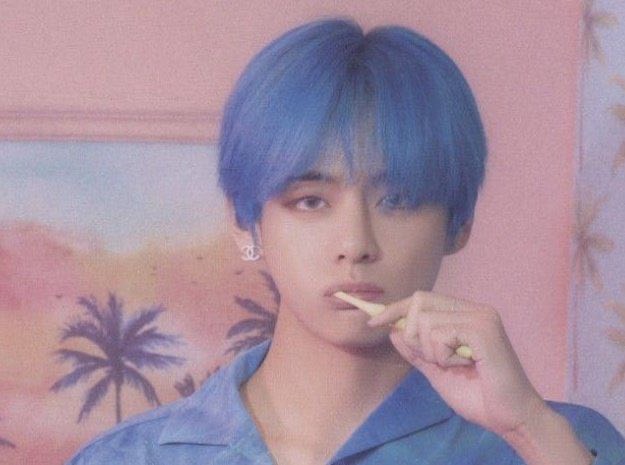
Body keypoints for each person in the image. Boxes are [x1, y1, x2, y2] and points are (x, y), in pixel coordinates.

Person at [67, 17, 625, 465]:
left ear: (459, 222)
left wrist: (527, 428)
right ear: (246, 222)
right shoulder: (129, 457)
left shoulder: (564, 443)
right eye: (311, 201)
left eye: (398, 200)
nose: (356, 244)